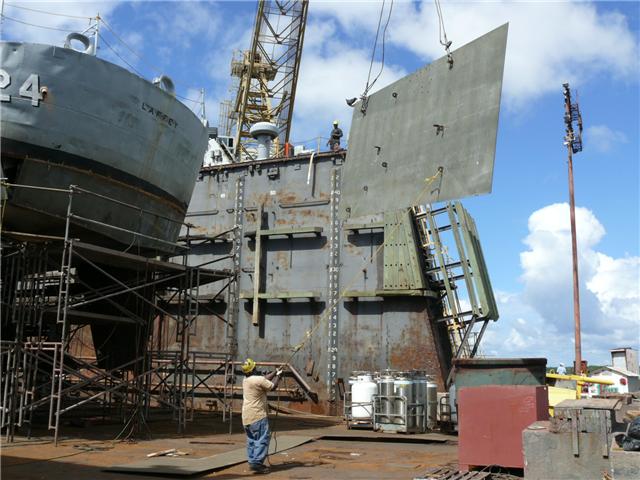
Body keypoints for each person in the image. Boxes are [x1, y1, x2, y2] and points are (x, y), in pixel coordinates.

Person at [241, 358, 283, 474]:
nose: (256, 368)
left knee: (252, 440)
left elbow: (263, 379)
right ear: (252, 369)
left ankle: (252, 461)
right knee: (262, 439)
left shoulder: (245, 380)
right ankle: (257, 463)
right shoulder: (258, 380)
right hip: (258, 415)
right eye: (254, 367)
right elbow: (272, 387)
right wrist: (279, 376)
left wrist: (275, 372)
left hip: (246, 417)